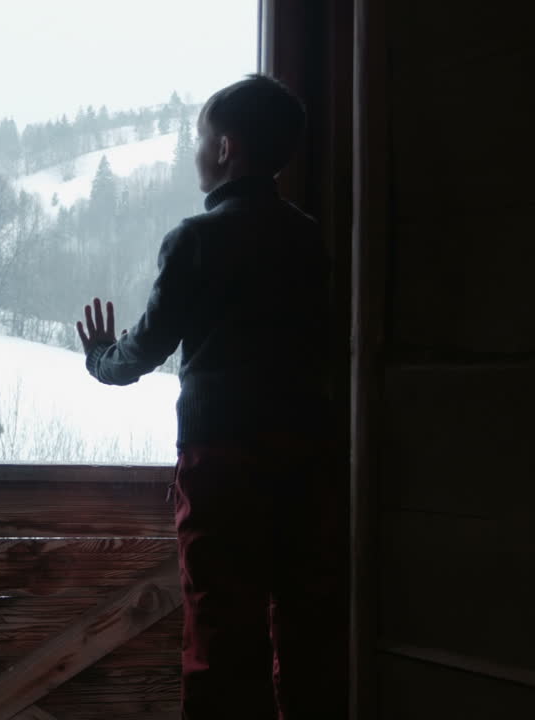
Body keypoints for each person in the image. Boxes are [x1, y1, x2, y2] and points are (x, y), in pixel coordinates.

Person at [75, 74, 344, 719]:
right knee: (304, 627)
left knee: (220, 627)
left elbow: (147, 346)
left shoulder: (197, 239)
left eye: (200, 139)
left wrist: (99, 359)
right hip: (310, 457)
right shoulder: (310, 239)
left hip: (222, 462)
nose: (196, 151)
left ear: (224, 148)